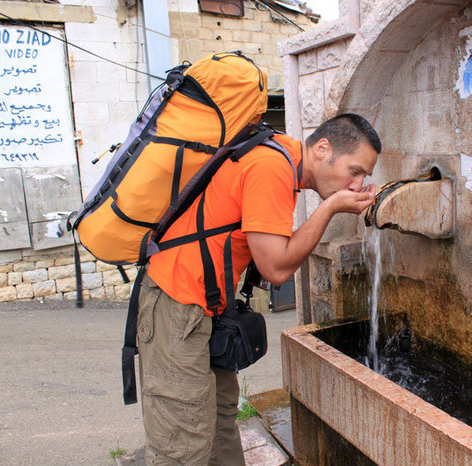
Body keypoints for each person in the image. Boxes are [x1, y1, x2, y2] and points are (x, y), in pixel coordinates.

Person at [136, 113, 381, 465]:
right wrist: (330, 208)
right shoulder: (272, 166)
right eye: (354, 171)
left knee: (220, 422)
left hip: (206, 307)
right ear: (323, 148)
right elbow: (276, 267)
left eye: (363, 177)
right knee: (181, 442)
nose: (357, 185)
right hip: (177, 304)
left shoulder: (279, 156)